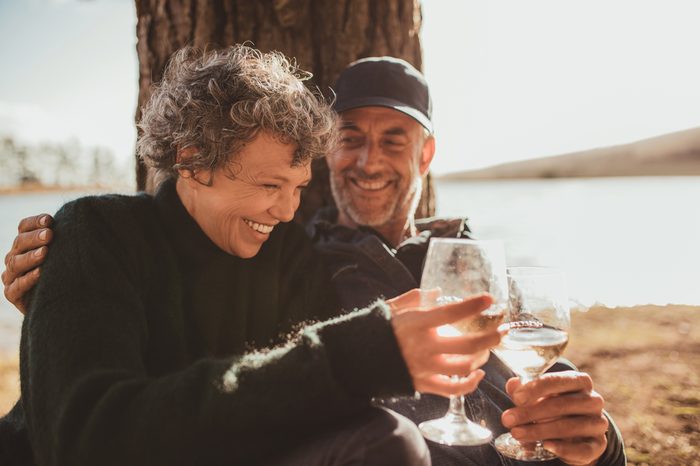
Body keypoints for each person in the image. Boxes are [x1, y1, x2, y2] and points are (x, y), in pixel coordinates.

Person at [2, 55, 627, 465]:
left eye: (395, 139)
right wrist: (65, 292)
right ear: (192, 161)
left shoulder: (452, 255)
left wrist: (597, 445)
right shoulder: (304, 258)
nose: (283, 210)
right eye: (350, 138)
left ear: (427, 154)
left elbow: (522, 366)